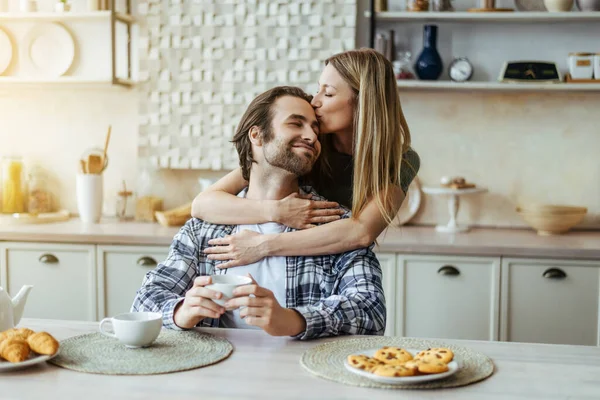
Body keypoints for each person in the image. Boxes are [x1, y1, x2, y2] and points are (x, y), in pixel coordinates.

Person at [132, 86, 386, 339]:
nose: (311, 136)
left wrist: (294, 320)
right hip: (215, 375)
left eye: (315, 129)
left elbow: (371, 311)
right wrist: (182, 311)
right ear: (257, 135)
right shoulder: (204, 229)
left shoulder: (334, 223)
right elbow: (145, 301)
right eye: (296, 124)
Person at [191, 48, 420, 269]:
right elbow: (203, 204)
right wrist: (278, 212)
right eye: (318, 89)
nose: (315, 102)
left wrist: (262, 246)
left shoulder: (400, 160)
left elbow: (361, 232)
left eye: (328, 93)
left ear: (364, 102)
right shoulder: (308, 143)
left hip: (330, 265)